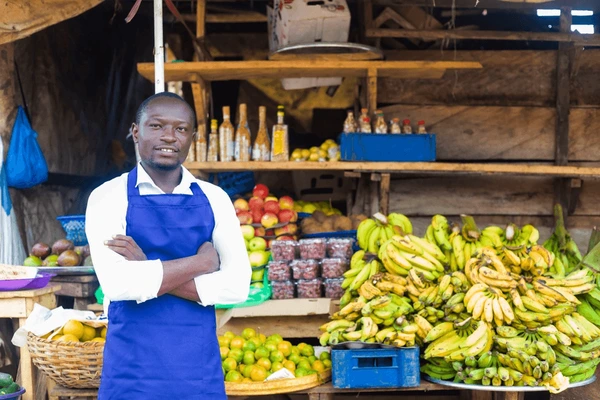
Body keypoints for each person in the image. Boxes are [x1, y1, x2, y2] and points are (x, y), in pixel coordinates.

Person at [85, 92, 250, 399]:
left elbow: (238, 287)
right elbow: (118, 285)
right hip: (131, 368)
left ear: (192, 137)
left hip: (196, 367)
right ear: (136, 132)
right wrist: (200, 264)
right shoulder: (107, 197)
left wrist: (145, 266)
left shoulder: (215, 199)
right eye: (157, 126)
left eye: (181, 129)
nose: (169, 137)